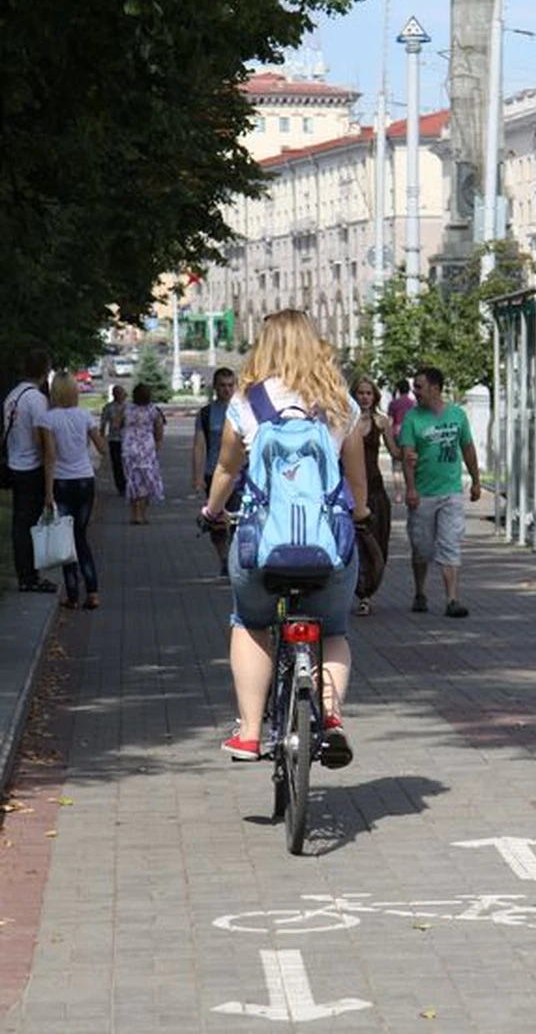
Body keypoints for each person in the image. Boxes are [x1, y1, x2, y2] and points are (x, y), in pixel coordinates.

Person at [203, 309, 368, 767]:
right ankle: (331, 718)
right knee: (333, 629)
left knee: (250, 623)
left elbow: (226, 469)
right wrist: (362, 512)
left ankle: (251, 733)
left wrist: (212, 510)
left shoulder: (247, 402)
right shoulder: (340, 403)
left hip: (261, 547)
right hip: (328, 547)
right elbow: (357, 482)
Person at [400, 366, 482, 618]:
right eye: (414, 387)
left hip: (451, 492)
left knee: (450, 544)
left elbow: (468, 448)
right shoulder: (413, 418)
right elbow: (406, 456)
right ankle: (420, 592)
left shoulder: (457, 415)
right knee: (422, 547)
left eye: (420, 387)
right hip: (423, 493)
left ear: (435, 388)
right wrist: (411, 488)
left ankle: (452, 599)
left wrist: (476, 481)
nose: (416, 392)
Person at [41, 372, 107, 609]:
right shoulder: (85, 416)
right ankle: (93, 591)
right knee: (81, 536)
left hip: (62, 482)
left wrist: (48, 493)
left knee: (67, 539)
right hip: (85, 480)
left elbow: (49, 456)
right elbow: (101, 447)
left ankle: (72, 594)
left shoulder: (48, 419)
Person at [2, 347, 56, 593]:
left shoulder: (13, 395)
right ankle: (29, 576)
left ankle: (25, 573)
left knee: (19, 523)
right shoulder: (36, 399)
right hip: (31, 466)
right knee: (30, 523)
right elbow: (39, 437)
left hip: (14, 463)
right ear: (45, 371)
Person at [351, 376, 401, 616]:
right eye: (361, 393)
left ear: (375, 396)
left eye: (369, 393)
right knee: (356, 545)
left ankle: (369, 590)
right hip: (350, 491)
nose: (365, 397)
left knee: (377, 545)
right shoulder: (346, 421)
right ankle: (361, 594)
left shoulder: (382, 421)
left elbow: (394, 451)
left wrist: (413, 451)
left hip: (375, 489)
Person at [192, 367, 238, 576]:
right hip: (214, 473)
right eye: (223, 385)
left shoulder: (244, 411)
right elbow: (199, 445)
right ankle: (223, 558)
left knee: (239, 520)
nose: (227, 390)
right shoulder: (206, 413)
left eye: (231, 385)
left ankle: (237, 561)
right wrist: (198, 476)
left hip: (240, 475)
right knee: (217, 522)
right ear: (215, 387)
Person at [121, 382, 164, 524]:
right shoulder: (153, 410)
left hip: (129, 449)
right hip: (147, 449)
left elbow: (116, 424)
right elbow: (159, 431)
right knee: (146, 482)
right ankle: (142, 515)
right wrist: (157, 446)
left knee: (132, 481)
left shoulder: (126, 409)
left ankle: (133, 515)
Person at [387, 378, 415, 504]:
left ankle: (398, 494)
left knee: (396, 466)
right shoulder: (413, 403)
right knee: (409, 462)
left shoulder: (393, 404)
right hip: (410, 434)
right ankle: (410, 488)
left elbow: (390, 421)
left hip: (397, 433)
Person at [99, 385, 127, 495]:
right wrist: (102, 439)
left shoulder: (129, 407)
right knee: (117, 464)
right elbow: (103, 423)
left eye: (122, 393)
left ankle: (130, 483)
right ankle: (121, 486)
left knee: (128, 463)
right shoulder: (108, 407)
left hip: (127, 439)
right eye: (119, 393)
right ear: (114, 395)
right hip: (114, 439)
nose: (122, 395)